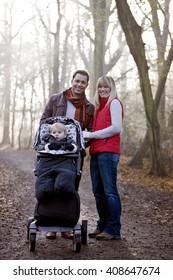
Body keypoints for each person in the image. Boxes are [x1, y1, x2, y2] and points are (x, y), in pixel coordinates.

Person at [39, 70, 94, 240]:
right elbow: (43, 122)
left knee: (70, 187)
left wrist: (80, 145)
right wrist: (51, 139)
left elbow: (91, 132)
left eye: (83, 82)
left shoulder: (89, 107)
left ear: (86, 85)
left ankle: (67, 226)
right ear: (72, 81)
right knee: (50, 185)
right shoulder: (56, 99)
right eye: (77, 81)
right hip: (52, 153)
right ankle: (51, 226)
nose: (79, 84)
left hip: (74, 155)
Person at [83, 76, 123, 241]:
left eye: (106, 87)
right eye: (100, 87)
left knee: (110, 192)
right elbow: (96, 131)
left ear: (111, 88)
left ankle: (113, 229)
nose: (102, 90)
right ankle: (103, 225)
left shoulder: (113, 103)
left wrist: (91, 134)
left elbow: (116, 128)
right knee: (98, 192)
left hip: (108, 152)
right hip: (96, 152)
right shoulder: (99, 107)